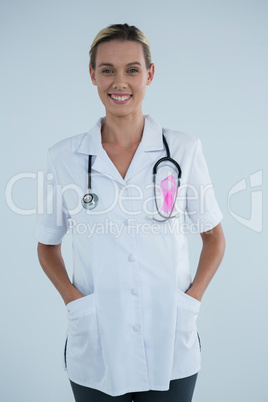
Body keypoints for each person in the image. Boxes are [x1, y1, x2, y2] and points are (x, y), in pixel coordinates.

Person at [35, 23, 226, 402]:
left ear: (149, 74)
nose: (119, 82)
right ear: (92, 75)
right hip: (97, 338)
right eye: (107, 69)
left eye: (132, 70)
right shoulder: (65, 158)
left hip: (171, 335)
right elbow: (47, 245)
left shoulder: (183, 150)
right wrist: (73, 301)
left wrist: (190, 301)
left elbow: (214, 237)